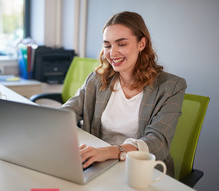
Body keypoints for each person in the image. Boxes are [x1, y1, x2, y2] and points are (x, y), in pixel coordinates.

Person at [61, 11, 186, 177]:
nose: (112, 53)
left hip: (141, 172)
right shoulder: (98, 79)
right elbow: (69, 110)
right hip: (98, 165)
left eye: (121, 44)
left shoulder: (170, 86)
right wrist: (46, 122)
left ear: (142, 44)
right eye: (107, 45)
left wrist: (110, 151)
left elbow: (158, 143)